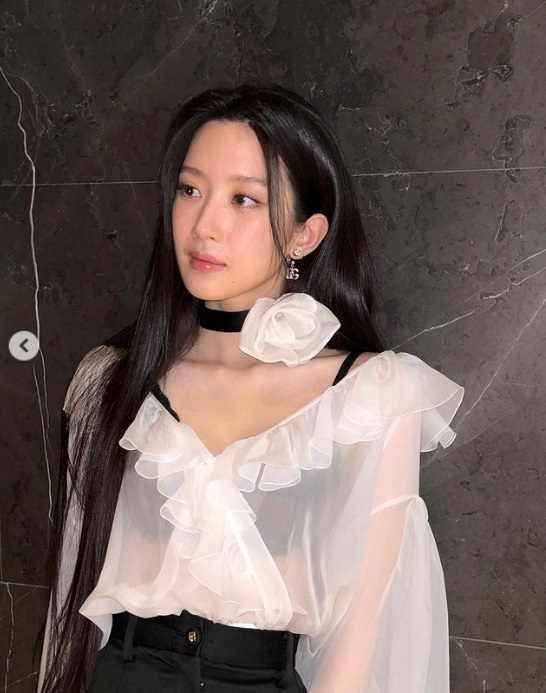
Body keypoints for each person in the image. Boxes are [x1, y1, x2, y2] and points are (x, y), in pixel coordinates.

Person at [37, 84, 465, 693]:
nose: (204, 225)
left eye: (243, 199)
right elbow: (70, 600)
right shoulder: (108, 381)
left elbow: (361, 631)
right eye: (190, 190)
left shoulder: (369, 395)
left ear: (304, 236)